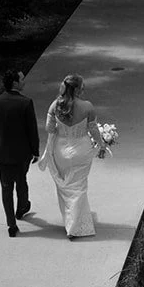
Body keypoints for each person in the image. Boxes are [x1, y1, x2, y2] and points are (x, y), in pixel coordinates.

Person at [39, 72, 109, 239]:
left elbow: (49, 129)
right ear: (77, 88)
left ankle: (71, 222)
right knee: (79, 186)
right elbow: (93, 130)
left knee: (66, 187)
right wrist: (102, 144)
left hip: (60, 150)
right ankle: (75, 226)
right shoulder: (88, 106)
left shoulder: (55, 105)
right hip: (81, 150)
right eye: (82, 87)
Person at [0, 68, 39, 237]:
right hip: (21, 152)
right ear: (15, 83)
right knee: (21, 182)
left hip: (2, 152)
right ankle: (22, 207)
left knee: (6, 188)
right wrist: (35, 150)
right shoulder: (26, 103)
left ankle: (11, 224)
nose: (24, 82)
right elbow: (32, 130)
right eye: (22, 79)